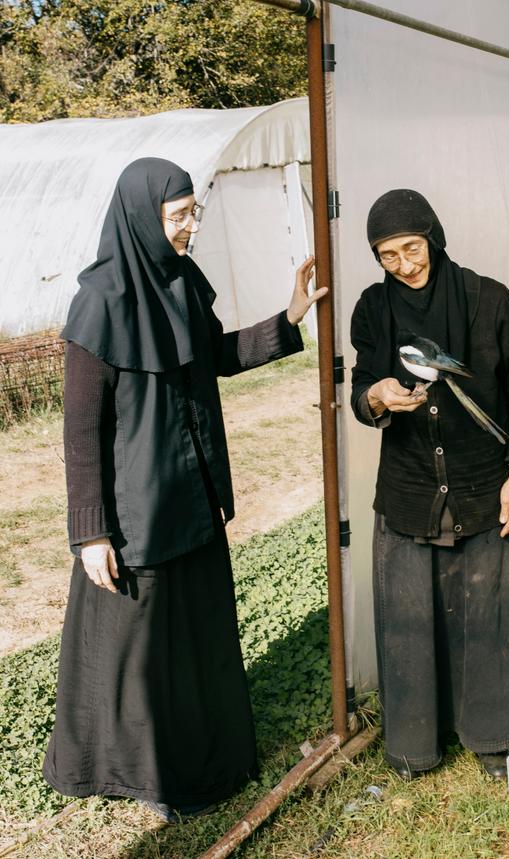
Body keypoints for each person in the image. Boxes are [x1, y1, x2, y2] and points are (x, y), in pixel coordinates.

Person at [43, 157, 326, 822]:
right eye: (179, 217)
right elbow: (81, 432)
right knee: (137, 661)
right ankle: (142, 775)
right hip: (137, 515)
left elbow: (218, 356)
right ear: (144, 216)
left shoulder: (182, 283)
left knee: (196, 646)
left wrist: (288, 317)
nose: (190, 228)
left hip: (192, 501)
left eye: (192, 214)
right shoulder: (99, 305)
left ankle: (204, 755)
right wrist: (90, 531)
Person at [350, 188, 509, 781]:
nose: (405, 265)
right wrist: (374, 396)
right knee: (412, 617)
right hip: (411, 488)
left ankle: (499, 739)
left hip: (484, 484)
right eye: (388, 256)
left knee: (491, 611)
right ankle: (418, 743)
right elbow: (362, 386)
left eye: (412, 248)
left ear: (433, 236)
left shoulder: (485, 299)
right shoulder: (372, 309)